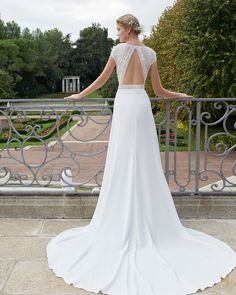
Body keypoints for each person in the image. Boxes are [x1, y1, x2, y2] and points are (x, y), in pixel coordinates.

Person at [47, 14, 236, 295]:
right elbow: (159, 90)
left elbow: (100, 82)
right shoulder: (150, 53)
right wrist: (182, 95)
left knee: (122, 161)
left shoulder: (118, 52)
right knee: (145, 162)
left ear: (129, 29)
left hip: (125, 104)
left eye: (119, 29)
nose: (118, 34)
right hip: (141, 105)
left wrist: (78, 96)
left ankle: (120, 215)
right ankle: (148, 217)